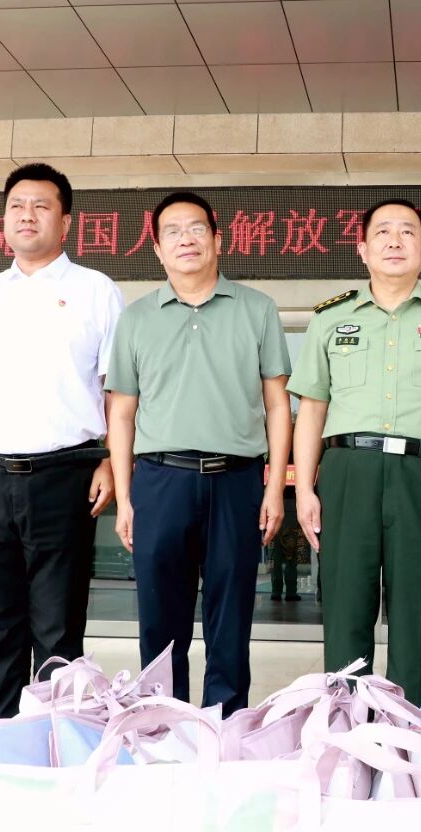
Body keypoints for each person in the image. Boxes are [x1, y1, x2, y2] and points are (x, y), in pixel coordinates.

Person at [0, 163, 122, 734]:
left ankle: (54, 741)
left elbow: (117, 390)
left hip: (64, 475)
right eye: (17, 205)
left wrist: (110, 460)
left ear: (65, 222)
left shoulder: (96, 291)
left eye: (42, 205)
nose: (28, 215)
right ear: (2, 219)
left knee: (57, 629)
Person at [289, 198, 421, 705]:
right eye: (382, 232)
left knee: (418, 613)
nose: (394, 241)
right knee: (345, 609)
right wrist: (304, 488)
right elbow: (311, 410)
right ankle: (344, 728)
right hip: (347, 471)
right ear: (362, 249)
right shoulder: (330, 319)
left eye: (407, 232)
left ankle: (412, 731)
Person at [108, 191, 291, 711]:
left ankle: (225, 723)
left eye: (195, 228)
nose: (185, 239)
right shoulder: (137, 318)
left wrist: (274, 487)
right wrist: (125, 496)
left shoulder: (257, 309)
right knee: (160, 620)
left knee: (230, 616)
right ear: (157, 249)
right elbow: (121, 414)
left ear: (217, 238)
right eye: (172, 232)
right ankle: (161, 724)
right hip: (160, 480)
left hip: (236, 480)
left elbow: (278, 405)